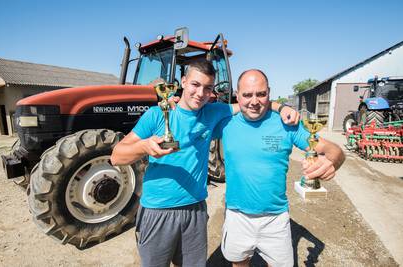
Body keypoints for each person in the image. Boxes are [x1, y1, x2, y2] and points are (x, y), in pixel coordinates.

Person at [110, 61, 299, 267]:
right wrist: (144, 147)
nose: (201, 93)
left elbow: (251, 103)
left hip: (195, 210)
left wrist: (282, 106)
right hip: (158, 210)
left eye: (208, 88)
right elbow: (116, 156)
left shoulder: (212, 112)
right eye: (195, 85)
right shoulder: (156, 115)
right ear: (183, 82)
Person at [213, 69, 345, 267]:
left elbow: (334, 150)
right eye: (247, 95)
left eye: (261, 94)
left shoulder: (287, 123)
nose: (254, 101)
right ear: (237, 95)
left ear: (269, 92)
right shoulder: (225, 123)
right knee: (239, 263)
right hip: (237, 216)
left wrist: (332, 162)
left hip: (275, 218)